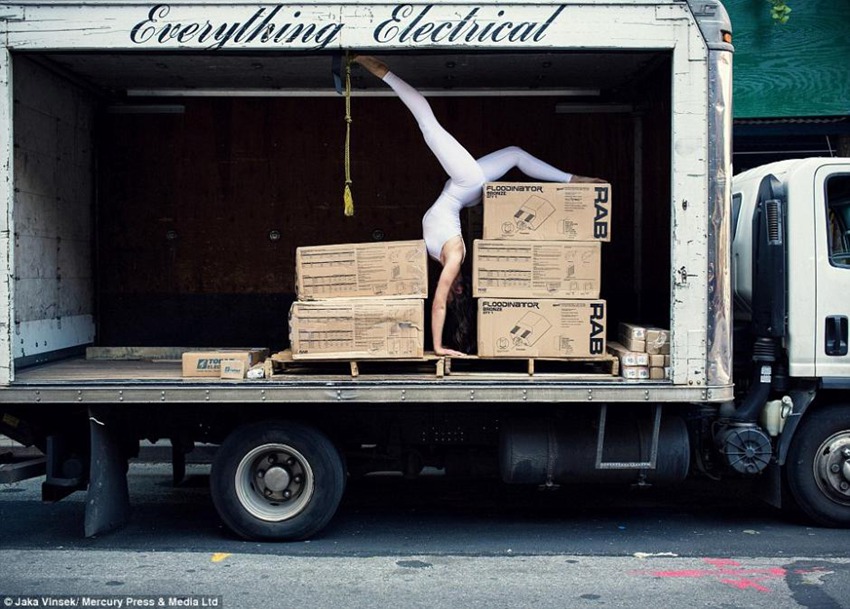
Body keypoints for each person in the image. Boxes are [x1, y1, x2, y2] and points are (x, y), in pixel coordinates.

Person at [354, 56, 603, 356]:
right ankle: (572, 179)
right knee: (503, 150)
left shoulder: (442, 260)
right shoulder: (455, 257)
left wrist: (436, 346)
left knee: (464, 136)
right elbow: (439, 301)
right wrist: (438, 345)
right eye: (460, 289)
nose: (456, 287)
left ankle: (387, 74)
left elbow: (437, 302)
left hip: (463, 192)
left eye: (455, 290)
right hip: (465, 186)